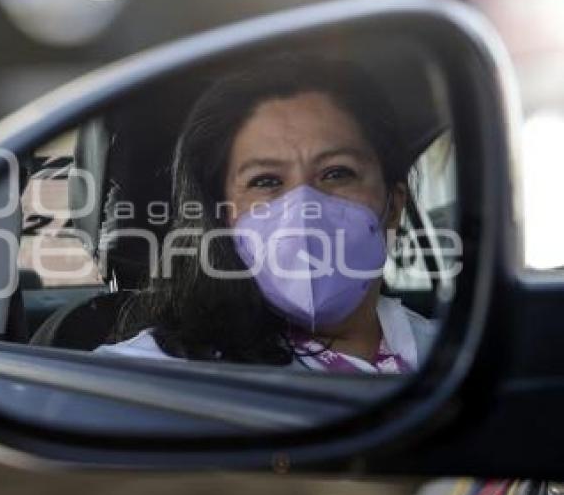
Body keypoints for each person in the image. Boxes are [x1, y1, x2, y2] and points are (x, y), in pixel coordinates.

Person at [94, 54, 436, 373]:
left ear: (393, 204)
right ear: (227, 218)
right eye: (266, 180)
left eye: (337, 172)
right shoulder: (157, 371)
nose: (304, 210)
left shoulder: (455, 352)